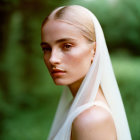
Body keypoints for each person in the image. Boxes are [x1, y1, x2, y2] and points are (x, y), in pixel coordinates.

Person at [41, 5, 131, 140]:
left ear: (94, 50)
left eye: (67, 46)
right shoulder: (77, 106)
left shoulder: (92, 120)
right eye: (47, 48)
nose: (53, 59)